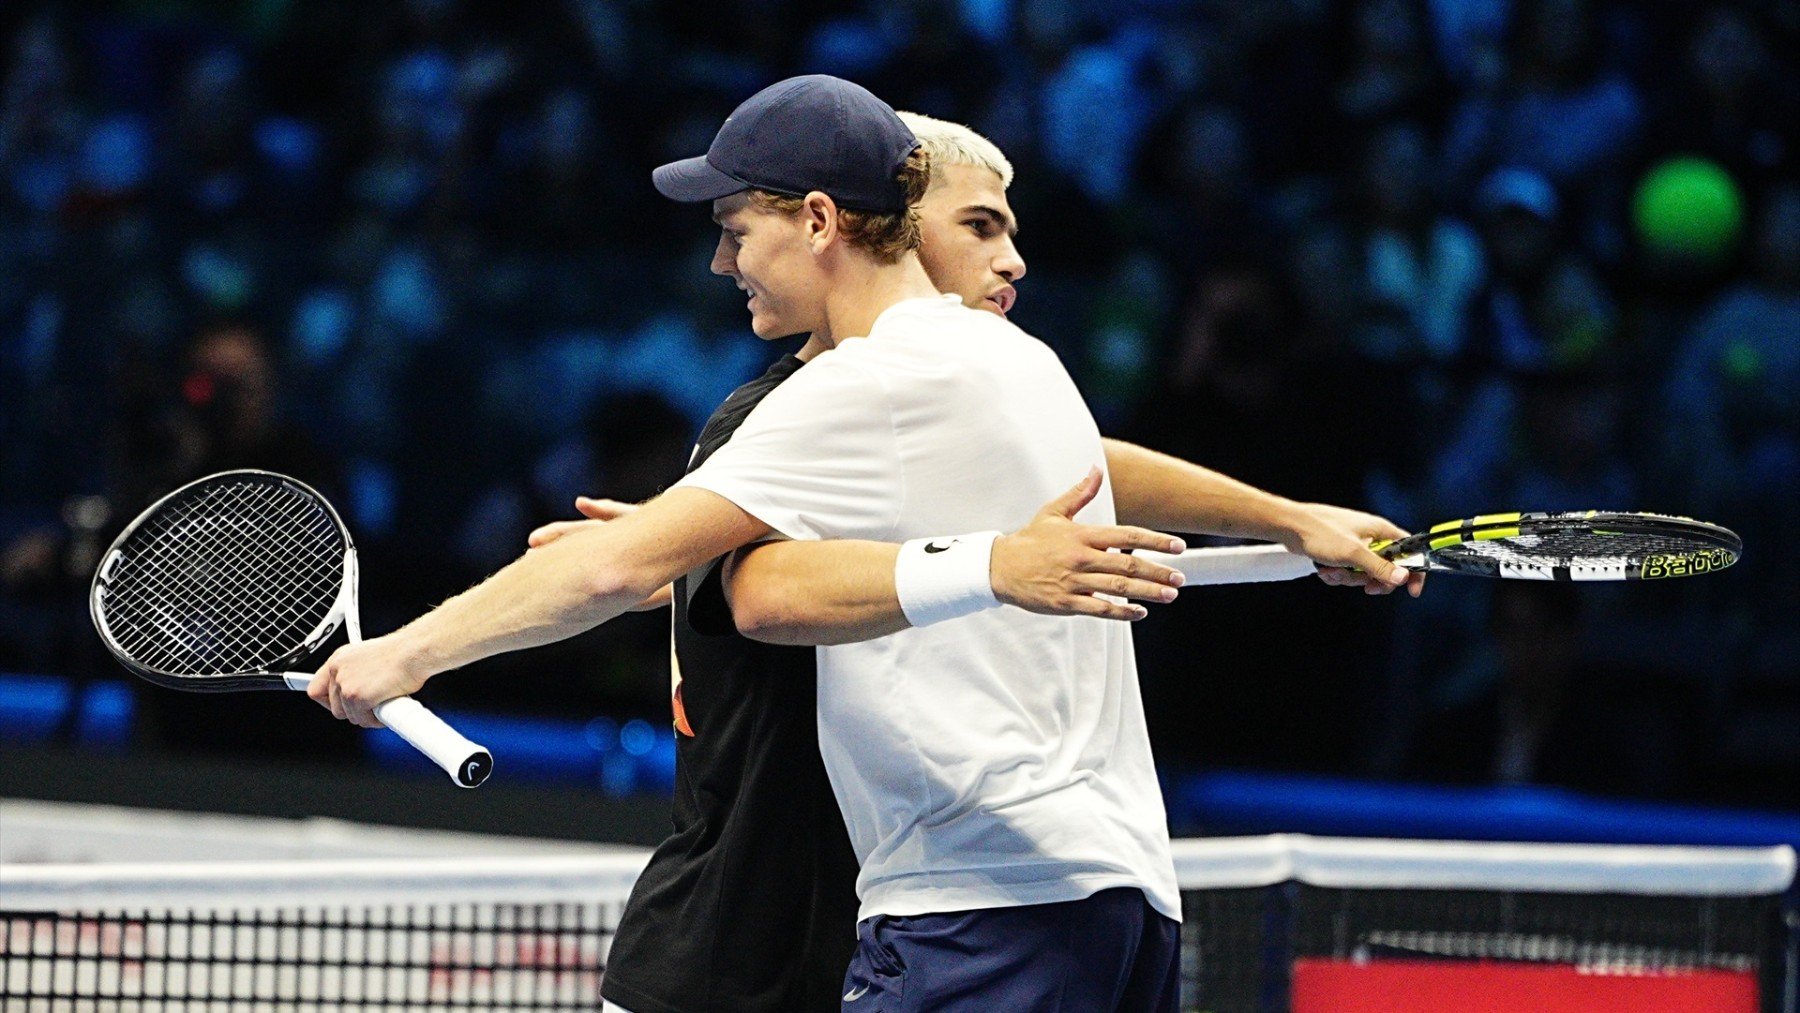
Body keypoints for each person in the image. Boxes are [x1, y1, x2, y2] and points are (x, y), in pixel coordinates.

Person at [308, 78, 1416, 1011]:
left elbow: (636, 571)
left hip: (971, 905)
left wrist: (402, 656)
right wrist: (1289, 516)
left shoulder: (862, 382)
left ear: (822, 220)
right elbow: (1072, 464)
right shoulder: (1019, 365)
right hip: (1122, 904)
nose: (721, 262)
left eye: (738, 231)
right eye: (981, 224)